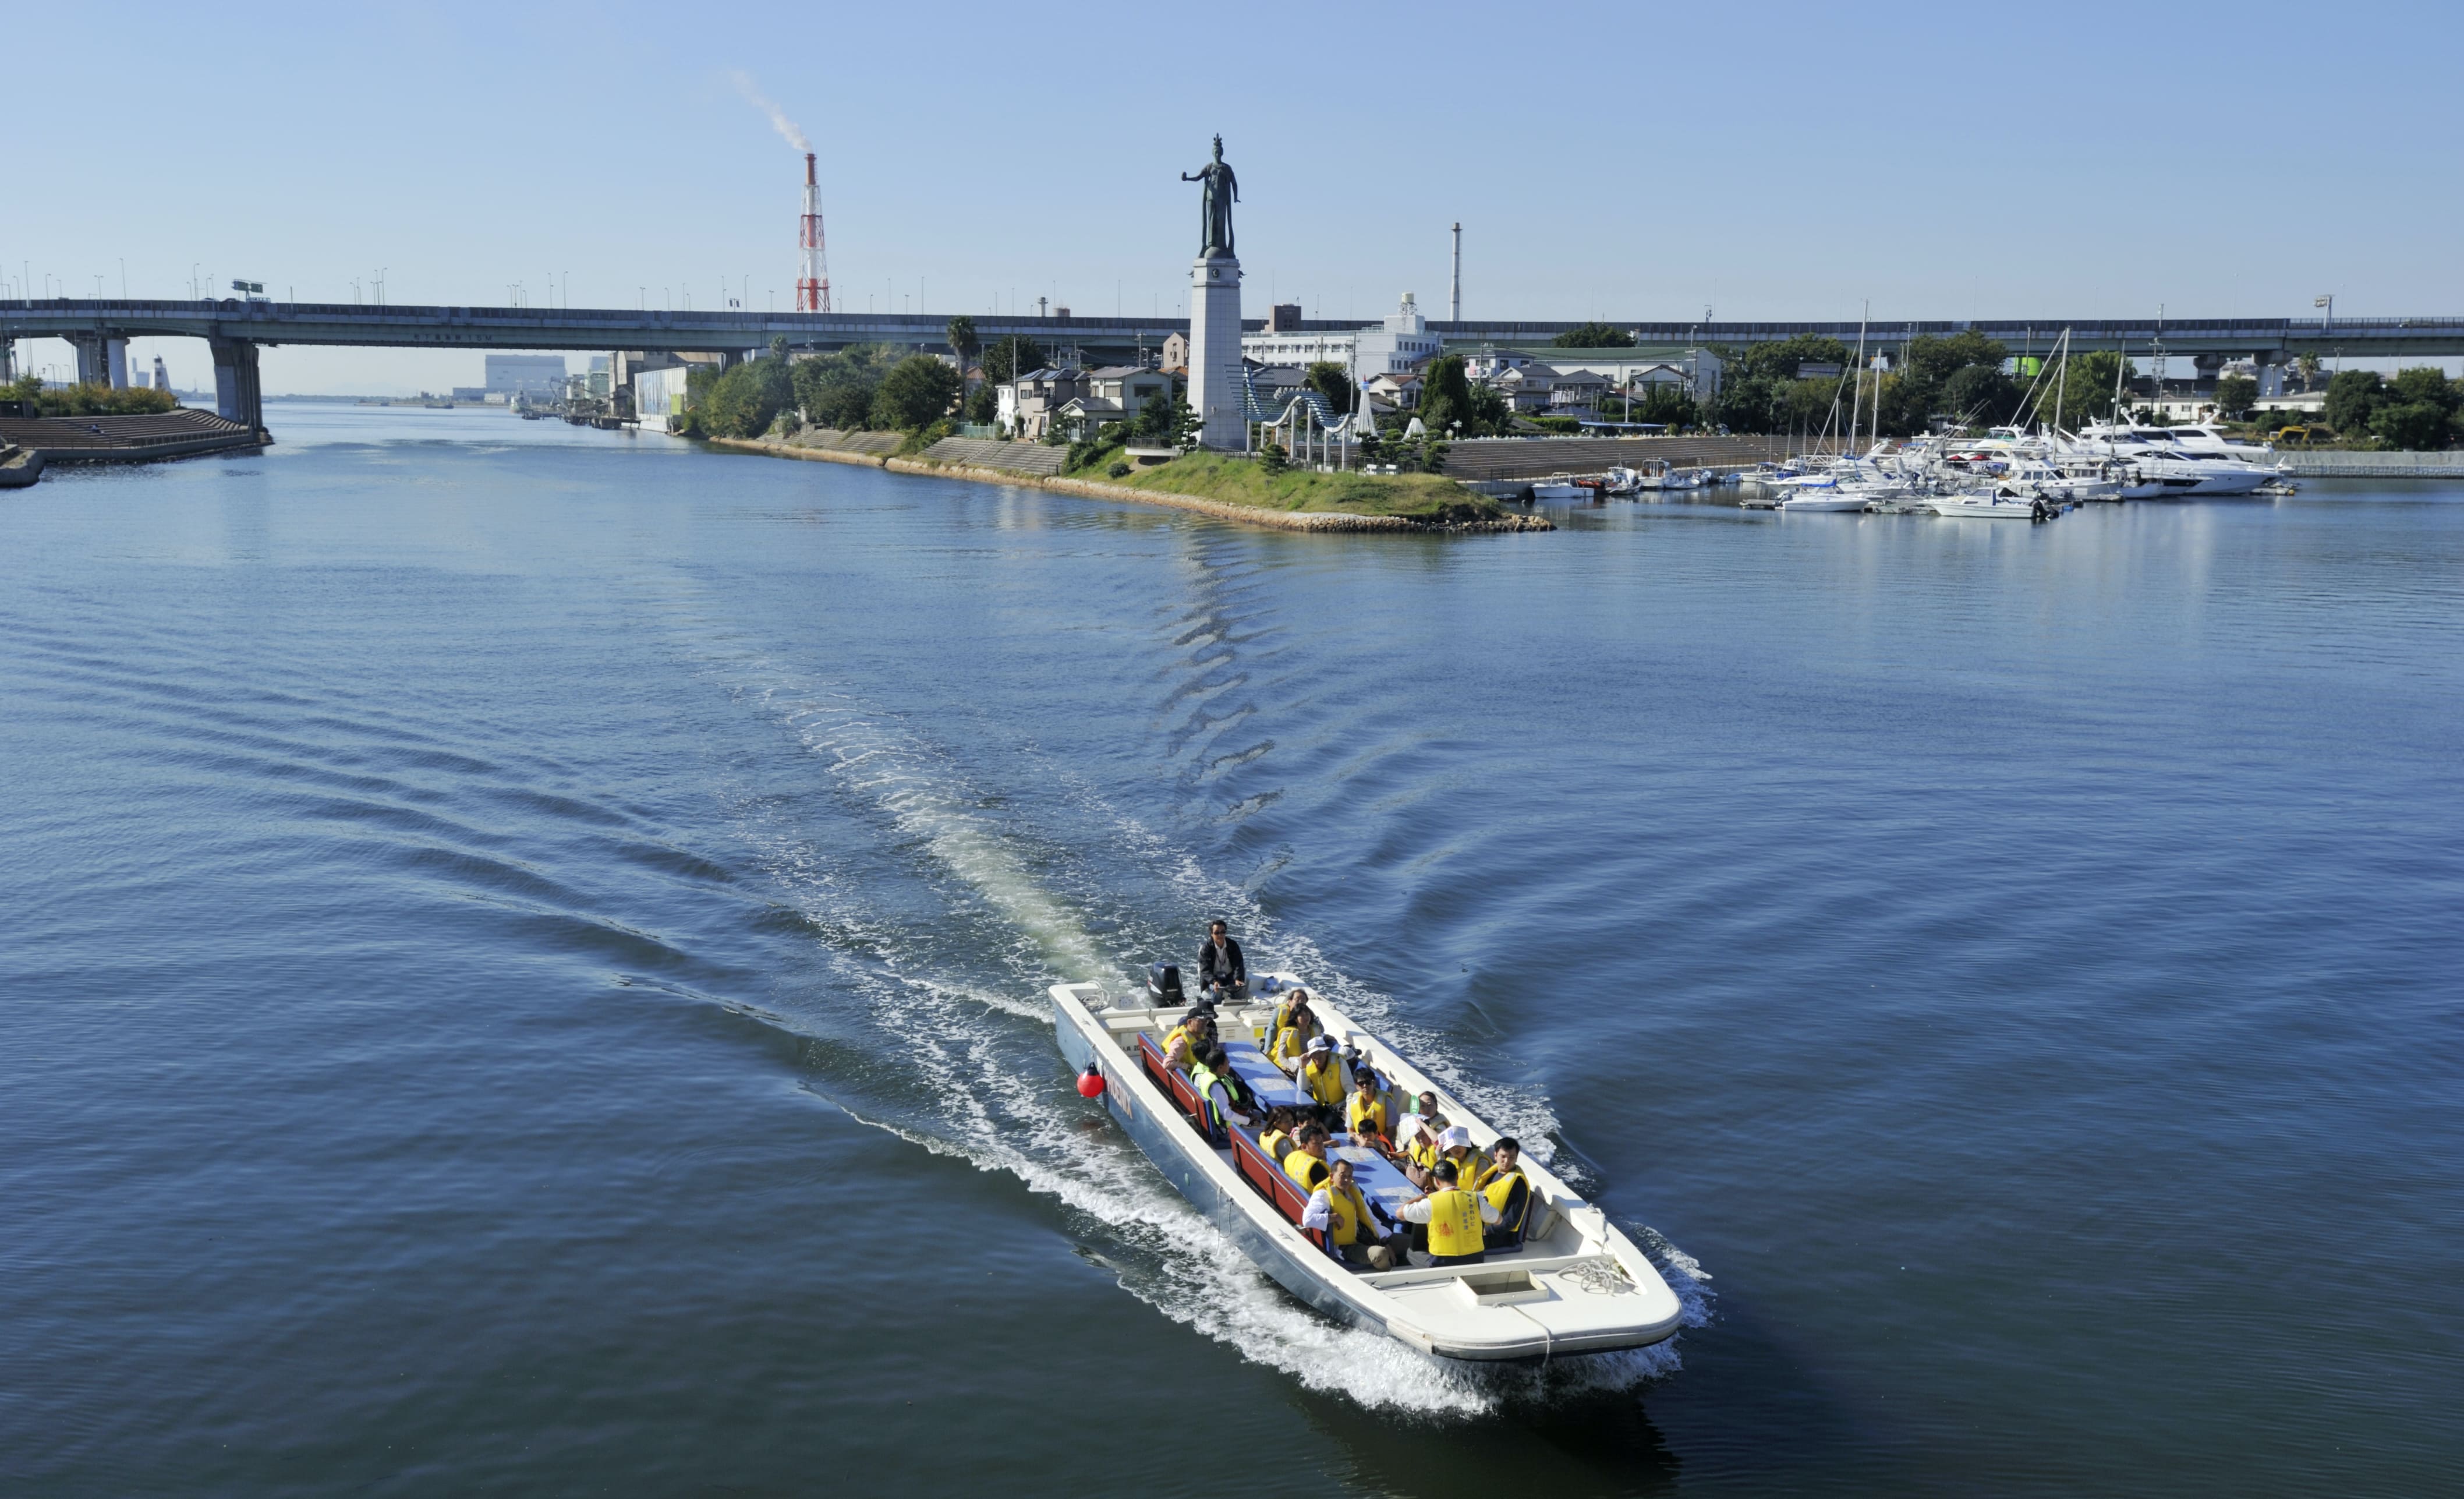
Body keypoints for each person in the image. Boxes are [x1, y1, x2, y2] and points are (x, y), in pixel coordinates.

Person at [1301, 1158, 1407, 1270]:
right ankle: (1388, 1274)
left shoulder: (1352, 1192)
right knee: (1380, 1254)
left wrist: (1385, 1241)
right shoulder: (1323, 1195)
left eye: (1350, 1176)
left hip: (1365, 1236)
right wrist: (1334, 1217)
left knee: (1411, 1242)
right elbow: (1308, 1219)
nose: (1347, 1180)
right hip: (1346, 1247)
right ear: (1332, 1177)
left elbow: (1371, 1219)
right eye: (1343, 1176)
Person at [1397, 1159, 1502, 1266]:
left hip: (1442, 1263)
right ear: (1457, 1177)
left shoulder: (1430, 1202)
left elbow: (1400, 1214)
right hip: (1475, 1260)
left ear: (1436, 1181)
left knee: (1411, 1253)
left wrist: (1421, 1197)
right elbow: (1498, 1220)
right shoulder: (1477, 1199)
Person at [1187, 1044, 1254, 1144]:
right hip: (1228, 1129)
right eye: (1227, 1062)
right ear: (1220, 1067)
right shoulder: (1217, 1088)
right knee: (1265, 1131)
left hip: (1233, 1120)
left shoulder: (1207, 1075)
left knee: (1260, 1117)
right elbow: (1227, 1114)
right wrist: (1248, 1121)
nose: (1229, 1063)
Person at [1478, 1136, 1533, 1245]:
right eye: (1503, 1156)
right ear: (1495, 1155)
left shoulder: (1518, 1184)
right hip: (1480, 1225)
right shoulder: (1493, 1174)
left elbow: (1511, 1221)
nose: (1507, 1161)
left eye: (1512, 1157)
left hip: (1499, 1236)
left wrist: (1486, 1231)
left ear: (1517, 1158)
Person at [1195, 920, 1245, 1003]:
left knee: (1237, 988)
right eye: (1217, 933)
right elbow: (1205, 970)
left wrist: (1237, 978)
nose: (1220, 935)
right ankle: (1217, 1011)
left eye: (1223, 932)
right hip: (1214, 978)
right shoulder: (1206, 949)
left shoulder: (1233, 945)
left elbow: (1238, 964)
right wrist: (1214, 981)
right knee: (1218, 990)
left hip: (1229, 976)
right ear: (1212, 934)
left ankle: (1234, 1009)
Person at [1297, 1035, 1348, 1112]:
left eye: (1320, 1052)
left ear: (1327, 1052)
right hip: (1319, 1106)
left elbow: (1350, 1088)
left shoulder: (1339, 1061)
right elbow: (1303, 1087)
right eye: (1314, 1054)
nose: (1317, 1056)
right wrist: (1302, 1068)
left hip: (1340, 1106)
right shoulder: (1308, 1065)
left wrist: (1348, 1109)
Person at [1281, 1122, 1333, 1193]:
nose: (1321, 1146)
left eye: (1321, 1142)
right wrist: (1323, 1162)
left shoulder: (1291, 1156)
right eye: (1316, 1143)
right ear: (1304, 1147)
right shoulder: (1318, 1169)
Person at [1346, 1072, 1391, 1148]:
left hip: (1380, 1144)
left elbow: (1392, 1130)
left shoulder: (1387, 1101)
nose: (1365, 1086)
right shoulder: (1353, 1101)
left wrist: (1378, 1144)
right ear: (1356, 1086)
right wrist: (1358, 1141)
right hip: (1360, 1143)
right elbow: (1349, 1129)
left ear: (1374, 1083)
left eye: (1368, 1082)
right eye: (1361, 1083)